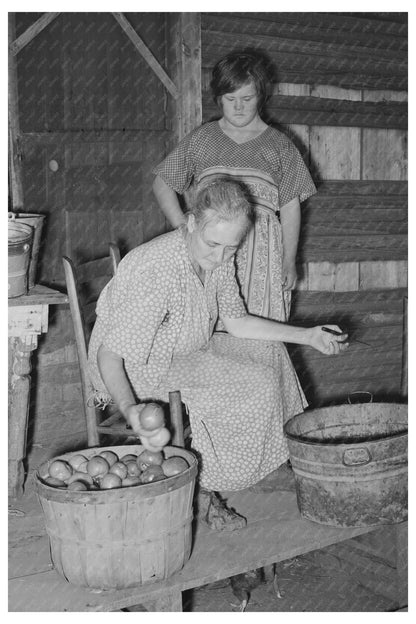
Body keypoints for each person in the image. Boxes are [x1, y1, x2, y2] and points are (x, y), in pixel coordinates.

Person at [88, 180, 348, 531]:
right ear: (192, 222)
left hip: (183, 346)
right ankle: (203, 491)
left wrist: (308, 336)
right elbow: (110, 357)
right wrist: (130, 408)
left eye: (231, 247)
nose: (220, 256)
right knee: (237, 391)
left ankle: (267, 462)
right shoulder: (158, 270)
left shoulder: (219, 256)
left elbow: (236, 321)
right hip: (140, 366)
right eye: (213, 244)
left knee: (271, 355)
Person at [152, 50, 316, 324]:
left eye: (247, 98)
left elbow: (290, 209)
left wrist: (289, 261)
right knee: (206, 327)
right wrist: (184, 228)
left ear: (261, 97)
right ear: (219, 98)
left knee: (260, 330)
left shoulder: (280, 146)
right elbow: (161, 184)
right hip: (210, 252)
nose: (238, 107)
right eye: (230, 99)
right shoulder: (203, 138)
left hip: (261, 259)